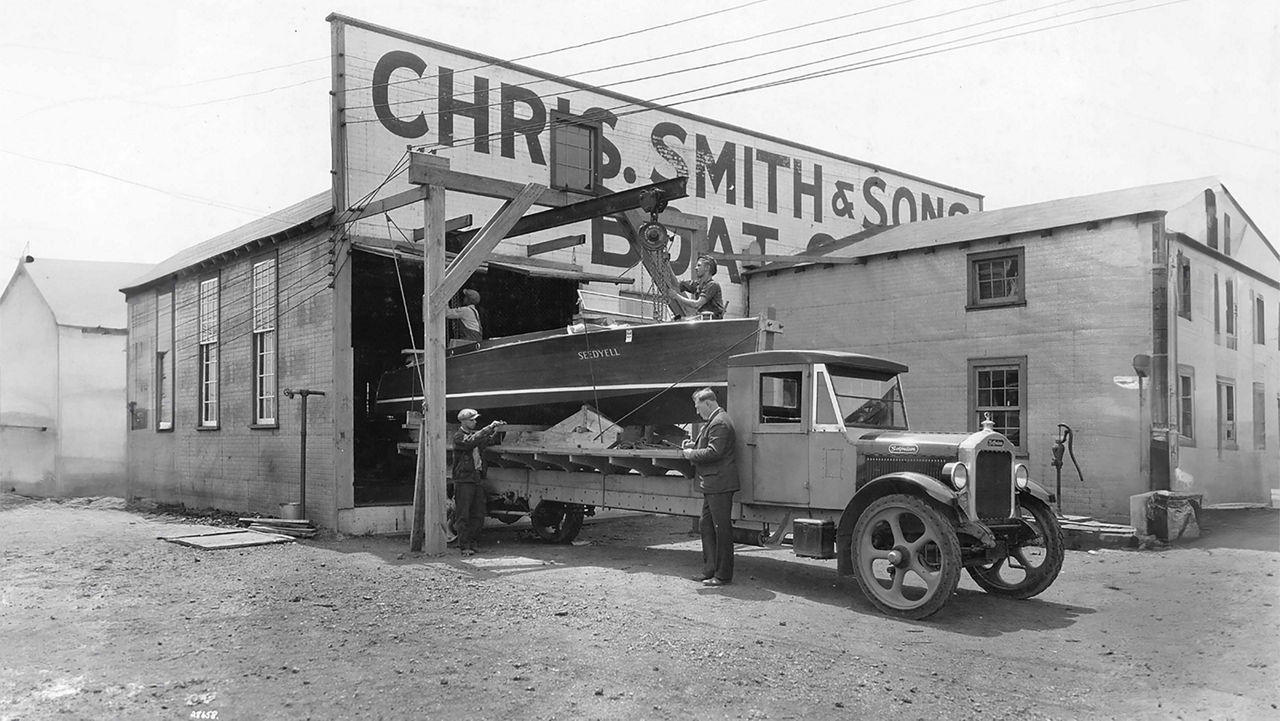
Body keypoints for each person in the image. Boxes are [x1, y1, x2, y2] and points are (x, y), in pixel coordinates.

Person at [681, 387, 739, 586]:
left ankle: (722, 575)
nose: (697, 412)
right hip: (713, 484)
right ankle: (709, 570)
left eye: (698, 407)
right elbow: (710, 445)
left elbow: (715, 452)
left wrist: (690, 455)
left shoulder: (720, 422)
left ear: (708, 403)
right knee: (707, 526)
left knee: (721, 530)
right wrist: (694, 445)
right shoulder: (715, 421)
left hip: (719, 484)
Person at [451, 407, 504, 556]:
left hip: (475, 478)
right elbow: (471, 442)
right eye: (472, 420)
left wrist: (496, 430)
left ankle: (472, 543)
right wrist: (489, 427)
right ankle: (464, 546)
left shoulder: (472, 436)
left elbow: (487, 441)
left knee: (479, 513)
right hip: (464, 480)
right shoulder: (458, 437)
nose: (474, 422)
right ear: (464, 421)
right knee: (463, 514)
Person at [668, 255, 725, 319]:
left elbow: (697, 304)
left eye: (699, 265)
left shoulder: (712, 285)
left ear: (707, 268)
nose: (696, 268)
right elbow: (676, 284)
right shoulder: (697, 285)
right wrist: (667, 264)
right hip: (702, 319)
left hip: (711, 321)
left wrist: (676, 296)